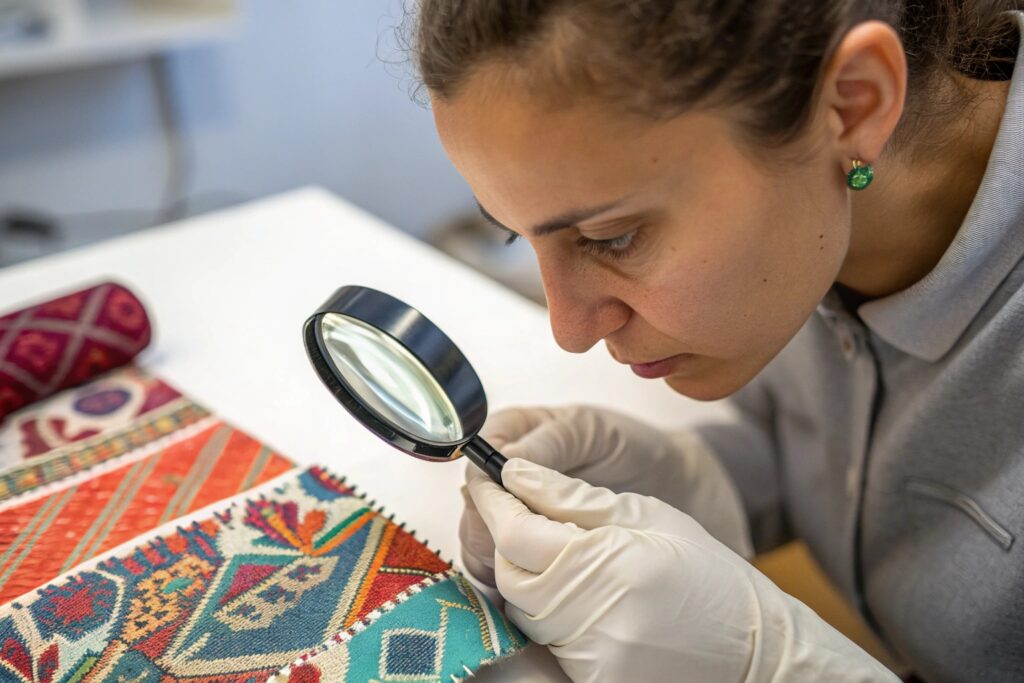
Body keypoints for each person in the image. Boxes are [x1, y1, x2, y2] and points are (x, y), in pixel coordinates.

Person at [412, 1, 1024, 681]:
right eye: (513, 234)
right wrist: (708, 484)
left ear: (853, 104)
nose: (570, 329)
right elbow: (844, 450)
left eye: (613, 237)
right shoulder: (808, 232)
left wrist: (770, 664)